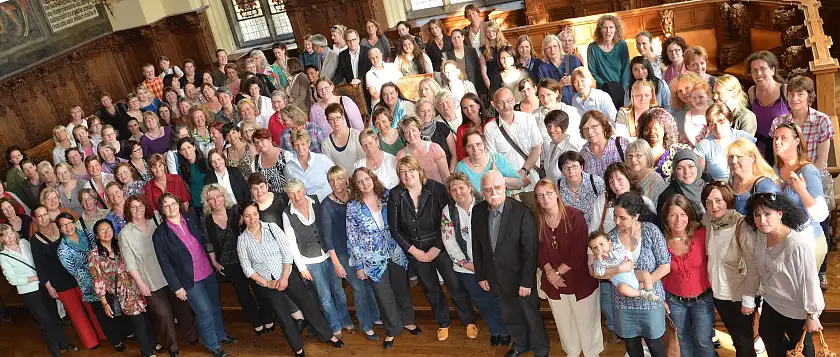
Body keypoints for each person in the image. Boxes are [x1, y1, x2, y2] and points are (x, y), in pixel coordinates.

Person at [388, 156, 476, 340]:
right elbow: (395, 229)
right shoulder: (396, 194)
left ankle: (468, 321)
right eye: (402, 172)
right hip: (416, 251)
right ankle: (443, 323)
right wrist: (414, 251)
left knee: (455, 285)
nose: (407, 175)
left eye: (410, 170)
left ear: (419, 170)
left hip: (441, 247)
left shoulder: (436, 188)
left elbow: (447, 219)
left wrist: (436, 247)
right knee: (431, 289)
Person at [473, 170, 549, 357]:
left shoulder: (522, 212)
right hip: (495, 277)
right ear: (482, 191)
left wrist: (526, 282)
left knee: (531, 317)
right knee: (510, 317)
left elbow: (531, 251)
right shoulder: (478, 211)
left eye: (497, 188)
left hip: (519, 278)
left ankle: (540, 350)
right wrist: (481, 275)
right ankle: (520, 345)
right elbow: (477, 245)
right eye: (488, 189)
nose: (493, 193)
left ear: (505, 187)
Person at [153, 193, 235, 357]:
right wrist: (176, 286)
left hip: (207, 271)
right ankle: (212, 345)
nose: (171, 207)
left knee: (214, 306)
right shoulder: (160, 234)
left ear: (178, 204)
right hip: (189, 280)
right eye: (166, 205)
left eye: (173, 203)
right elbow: (165, 263)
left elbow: (206, 239)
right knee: (204, 311)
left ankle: (220, 334)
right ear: (162, 210)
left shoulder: (192, 218)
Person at [744, 193, 824, 357]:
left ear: (780, 214)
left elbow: (809, 281)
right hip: (772, 303)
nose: (762, 220)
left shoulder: (797, 246)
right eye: (757, 215)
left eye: (767, 214)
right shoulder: (761, 237)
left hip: (796, 309)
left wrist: (812, 315)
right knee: (769, 339)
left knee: (802, 349)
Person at [346, 167, 418, 348]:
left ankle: (408, 320)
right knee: (383, 295)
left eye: (367, 179)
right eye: (359, 181)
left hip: (395, 251)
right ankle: (392, 329)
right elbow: (352, 237)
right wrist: (360, 265)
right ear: (355, 185)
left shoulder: (387, 196)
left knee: (401, 289)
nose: (364, 183)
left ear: (373, 178)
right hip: (372, 258)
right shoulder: (353, 206)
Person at [592, 192, 671, 357]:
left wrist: (640, 286)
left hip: (650, 300)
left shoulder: (651, 231)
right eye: (615, 216)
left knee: (656, 345)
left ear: (636, 216)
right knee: (631, 345)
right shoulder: (610, 238)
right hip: (623, 303)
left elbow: (665, 265)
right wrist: (618, 270)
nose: (616, 221)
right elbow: (598, 273)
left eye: (622, 218)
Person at [439, 173, 511, 346]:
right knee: (482, 302)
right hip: (467, 268)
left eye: (461, 187)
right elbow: (449, 241)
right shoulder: (448, 212)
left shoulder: (486, 206)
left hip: (491, 266)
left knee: (497, 299)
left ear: (470, 187)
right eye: (453, 189)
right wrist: (466, 264)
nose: (458, 192)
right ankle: (495, 330)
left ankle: (506, 330)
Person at [534, 179, 603, 357]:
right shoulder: (538, 219)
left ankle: (591, 353)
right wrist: (550, 272)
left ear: (556, 193)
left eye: (548, 193)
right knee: (564, 323)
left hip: (579, 279)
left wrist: (557, 273)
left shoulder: (575, 216)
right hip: (553, 282)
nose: (545, 198)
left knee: (587, 322)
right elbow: (539, 249)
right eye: (540, 195)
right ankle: (571, 352)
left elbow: (580, 250)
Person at [121, 195, 197, 355]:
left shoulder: (156, 220)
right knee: (164, 316)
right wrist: (141, 284)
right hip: (150, 281)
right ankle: (173, 347)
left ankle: (192, 337)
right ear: (128, 210)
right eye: (133, 207)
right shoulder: (125, 234)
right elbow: (130, 263)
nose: (137, 210)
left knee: (183, 308)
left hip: (171, 276)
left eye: (140, 206)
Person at [282, 179, 353, 337]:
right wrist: (302, 268)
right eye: (292, 194)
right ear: (288, 195)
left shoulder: (315, 200)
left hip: (329, 255)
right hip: (310, 261)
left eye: (299, 192)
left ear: (305, 190)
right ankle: (335, 326)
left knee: (339, 290)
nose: (297, 196)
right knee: (325, 296)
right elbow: (292, 245)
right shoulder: (287, 214)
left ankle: (346, 320)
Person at [700, 182, 761, 357]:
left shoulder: (742, 226)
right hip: (719, 294)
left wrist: (749, 300)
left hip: (740, 296)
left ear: (728, 200)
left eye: (718, 200)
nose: (714, 206)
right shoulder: (708, 221)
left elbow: (754, 267)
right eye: (709, 202)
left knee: (744, 343)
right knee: (737, 338)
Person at [321, 166, 382, 339]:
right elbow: (327, 238)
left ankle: (376, 317)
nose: (336, 183)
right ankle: (366, 325)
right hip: (342, 253)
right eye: (332, 180)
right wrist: (336, 263)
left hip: (360, 248)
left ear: (346, 179)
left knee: (369, 284)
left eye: (339, 178)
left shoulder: (355, 197)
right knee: (358, 287)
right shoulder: (327, 205)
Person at [0, 224, 76, 357]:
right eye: (5, 235)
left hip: (44, 285)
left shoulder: (24, 243)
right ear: (1, 239)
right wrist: (34, 278)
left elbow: (38, 261)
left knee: (55, 316)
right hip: (29, 291)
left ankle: (64, 343)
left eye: (10, 233)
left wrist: (43, 277)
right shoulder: (3, 256)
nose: (10, 237)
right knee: (45, 320)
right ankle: (54, 349)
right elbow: (13, 280)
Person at [89, 219, 159, 357]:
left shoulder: (120, 246)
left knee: (146, 317)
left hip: (136, 287)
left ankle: (152, 343)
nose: (107, 232)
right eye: (102, 230)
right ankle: (147, 352)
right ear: (97, 235)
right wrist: (104, 303)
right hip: (122, 293)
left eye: (109, 228)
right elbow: (97, 280)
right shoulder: (94, 255)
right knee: (138, 321)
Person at [37, 208, 105, 350]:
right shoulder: (62, 249)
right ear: (60, 229)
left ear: (74, 223)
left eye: (69, 223)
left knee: (95, 310)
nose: (67, 227)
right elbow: (74, 270)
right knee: (78, 315)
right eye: (63, 225)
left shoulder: (86, 234)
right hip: (77, 281)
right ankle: (90, 342)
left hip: (95, 278)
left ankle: (104, 334)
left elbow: (98, 250)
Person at [661, 194, 715, 357]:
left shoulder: (702, 234)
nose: (678, 219)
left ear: (689, 215)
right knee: (682, 342)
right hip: (674, 301)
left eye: (683, 214)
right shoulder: (661, 240)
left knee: (703, 342)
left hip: (702, 299)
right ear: (666, 217)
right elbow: (657, 272)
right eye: (673, 215)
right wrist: (660, 298)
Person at [771, 123, 828, 269]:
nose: (777, 142)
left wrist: (801, 190)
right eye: (775, 138)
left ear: (796, 142)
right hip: (785, 242)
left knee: (804, 291)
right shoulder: (776, 169)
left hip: (808, 242)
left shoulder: (808, 171)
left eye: (784, 138)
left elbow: (820, 214)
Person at [484, 87, 542, 208]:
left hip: (532, 179)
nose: (506, 105)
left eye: (509, 101)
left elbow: (537, 148)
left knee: (536, 218)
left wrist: (523, 172)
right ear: (494, 105)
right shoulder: (489, 128)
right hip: (508, 185)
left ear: (515, 100)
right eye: (501, 102)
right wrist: (514, 179)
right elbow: (493, 160)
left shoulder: (528, 119)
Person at [590, 230, 658, 301]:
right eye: (595, 248)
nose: (599, 249)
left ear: (609, 243)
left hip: (632, 274)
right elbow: (599, 273)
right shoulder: (597, 261)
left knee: (645, 274)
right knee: (622, 288)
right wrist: (600, 261)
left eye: (601, 244)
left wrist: (609, 255)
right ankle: (642, 293)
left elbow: (622, 256)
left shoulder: (616, 248)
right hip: (620, 281)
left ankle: (650, 292)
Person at [590, 163, 657, 233]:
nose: (616, 185)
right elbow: (593, 230)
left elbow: (652, 229)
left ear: (629, 178)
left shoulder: (645, 202)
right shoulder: (603, 200)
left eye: (619, 179)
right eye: (611, 182)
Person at [694, 103, 756, 180]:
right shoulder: (704, 145)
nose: (717, 128)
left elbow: (757, 163)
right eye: (712, 124)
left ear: (730, 121)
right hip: (718, 187)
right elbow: (698, 176)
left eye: (721, 122)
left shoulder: (743, 137)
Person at [747, 51, 789, 162]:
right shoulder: (752, 92)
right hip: (760, 148)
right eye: (754, 71)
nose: (758, 74)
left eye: (763, 69)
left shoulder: (785, 90)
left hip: (783, 148)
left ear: (773, 70)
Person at [455, 127, 521, 194]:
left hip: (501, 202)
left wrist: (500, 177)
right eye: (470, 146)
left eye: (478, 144)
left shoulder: (497, 158)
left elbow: (518, 183)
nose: (475, 149)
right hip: (477, 204)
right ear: (465, 149)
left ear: (484, 144)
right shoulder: (461, 167)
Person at [726, 138, 780, 215]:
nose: (733, 161)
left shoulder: (765, 186)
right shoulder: (732, 179)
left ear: (752, 158)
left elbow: (772, 219)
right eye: (731, 156)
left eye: (739, 156)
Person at [587, 14, 630, 110]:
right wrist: (606, 88)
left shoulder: (622, 45)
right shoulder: (592, 48)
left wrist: (622, 88)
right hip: (602, 90)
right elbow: (592, 72)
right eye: (605, 28)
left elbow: (626, 68)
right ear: (600, 30)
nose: (608, 31)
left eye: (611, 27)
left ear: (616, 29)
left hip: (621, 89)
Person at [638, 107, 691, 182]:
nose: (652, 133)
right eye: (647, 129)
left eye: (656, 129)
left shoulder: (678, 151)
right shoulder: (637, 153)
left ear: (665, 129)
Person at [396, 116, 451, 184]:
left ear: (420, 131)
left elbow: (446, 177)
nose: (411, 135)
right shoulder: (401, 155)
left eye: (414, 130)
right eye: (407, 132)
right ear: (403, 135)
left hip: (438, 192)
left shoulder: (435, 149)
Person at [657, 149, 708, 218]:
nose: (686, 171)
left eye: (691, 166)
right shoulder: (667, 197)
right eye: (680, 168)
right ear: (674, 170)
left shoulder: (710, 184)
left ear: (697, 167)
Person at [286, 130, 335, 201]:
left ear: (308, 144)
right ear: (293, 146)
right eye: (297, 145)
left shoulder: (322, 159)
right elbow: (290, 189)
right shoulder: (289, 167)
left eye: (303, 144)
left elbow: (336, 178)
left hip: (326, 203)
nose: (300, 148)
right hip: (305, 206)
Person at [534, 78, 584, 148]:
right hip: (546, 156)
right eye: (542, 96)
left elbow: (579, 137)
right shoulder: (535, 115)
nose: (545, 99)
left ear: (557, 93)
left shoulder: (570, 111)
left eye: (548, 94)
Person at [579, 110, 628, 177]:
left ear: (603, 126)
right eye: (585, 129)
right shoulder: (583, 154)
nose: (589, 132)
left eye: (594, 126)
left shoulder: (621, 144)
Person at [321, 103, 365, 172]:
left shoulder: (356, 135)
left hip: (360, 176)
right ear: (328, 121)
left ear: (343, 117)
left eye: (338, 117)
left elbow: (363, 160)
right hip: (340, 180)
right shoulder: (326, 144)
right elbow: (331, 169)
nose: (335, 122)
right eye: (331, 119)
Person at [445, 29, 487, 97]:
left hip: (473, 86)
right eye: (454, 38)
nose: (456, 40)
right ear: (451, 40)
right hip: (457, 88)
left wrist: (482, 89)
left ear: (463, 37)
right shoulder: (447, 54)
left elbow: (478, 70)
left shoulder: (471, 51)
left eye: (458, 37)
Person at [542, 110, 579, 184]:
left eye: (556, 126)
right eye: (549, 126)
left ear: (564, 127)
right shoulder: (551, 145)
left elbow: (575, 179)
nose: (551, 130)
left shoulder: (570, 148)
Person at [626, 139, 667, 205]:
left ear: (648, 157)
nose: (633, 160)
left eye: (638, 155)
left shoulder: (657, 183)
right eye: (630, 156)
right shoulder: (624, 177)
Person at [175, 137, 208, 214]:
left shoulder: (206, 162)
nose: (187, 151)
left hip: (212, 201)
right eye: (183, 149)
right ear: (180, 152)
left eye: (189, 147)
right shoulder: (181, 169)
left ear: (194, 147)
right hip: (197, 206)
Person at [252, 129, 290, 193]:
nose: (260, 144)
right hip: (269, 200)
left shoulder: (286, 156)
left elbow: (295, 182)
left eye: (262, 140)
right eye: (257, 142)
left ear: (270, 139)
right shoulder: (255, 161)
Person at [455, 93, 489, 160]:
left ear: (478, 105)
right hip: (473, 164)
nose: (469, 111)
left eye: (471, 106)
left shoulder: (491, 122)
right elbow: (461, 154)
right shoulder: (461, 130)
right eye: (465, 108)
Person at [479, 21, 509, 95]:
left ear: (497, 31)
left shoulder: (506, 46)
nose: (491, 34)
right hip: (493, 82)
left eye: (493, 31)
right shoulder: (483, 50)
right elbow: (484, 73)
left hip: (507, 80)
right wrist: (491, 89)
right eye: (488, 32)